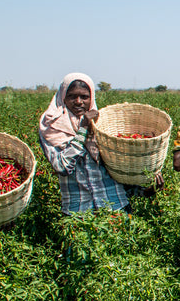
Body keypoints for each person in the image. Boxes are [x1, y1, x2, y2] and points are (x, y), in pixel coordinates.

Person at [38, 73, 131, 214]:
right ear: (63, 97)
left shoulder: (103, 124)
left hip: (116, 206)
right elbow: (62, 167)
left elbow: (118, 169)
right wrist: (83, 129)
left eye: (84, 97)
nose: (78, 101)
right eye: (72, 96)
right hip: (78, 211)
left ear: (91, 98)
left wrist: (144, 187)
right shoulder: (51, 128)